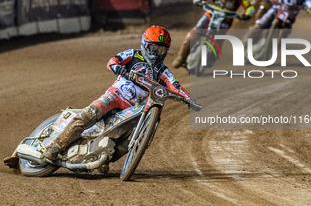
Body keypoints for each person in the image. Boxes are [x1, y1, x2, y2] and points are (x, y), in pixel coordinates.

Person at [43, 26, 198, 161]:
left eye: (162, 49)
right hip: (115, 96)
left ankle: (101, 159)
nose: (157, 53)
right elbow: (112, 61)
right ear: (145, 44)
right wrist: (118, 68)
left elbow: (175, 85)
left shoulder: (163, 71)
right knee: (89, 114)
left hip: (133, 110)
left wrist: (188, 99)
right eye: (154, 48)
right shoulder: (133, 54)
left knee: (124, 143)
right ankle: (54, 147)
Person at [172, 0, 255, 69]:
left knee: (220, 37)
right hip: (211, 14)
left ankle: (214, 55)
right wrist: (198, 0)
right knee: (194, 32)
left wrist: (247, 14)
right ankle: (181, 57)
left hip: (226, 19)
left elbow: (249, 7)